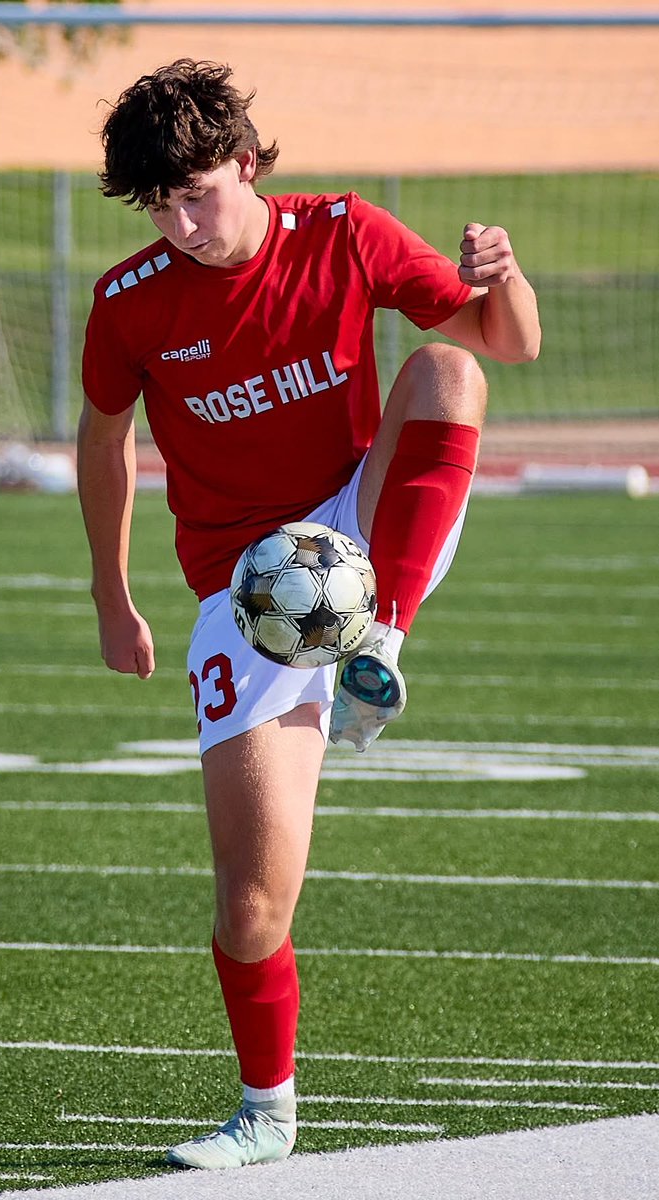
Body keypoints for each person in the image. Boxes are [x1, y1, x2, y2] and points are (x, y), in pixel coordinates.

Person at [78, 58, 540, 1171]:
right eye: (159, 206)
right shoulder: (127, 303)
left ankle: (382, 643)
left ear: (245, 162)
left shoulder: (341, 231)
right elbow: (102, 443)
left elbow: (501, 343)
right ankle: (266, 1113)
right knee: (249, 906)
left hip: (358, 527)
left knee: (439, 370)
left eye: (197, 193)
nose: (182, 225)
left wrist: (507, 274)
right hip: (241, 585)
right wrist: (110, 595)